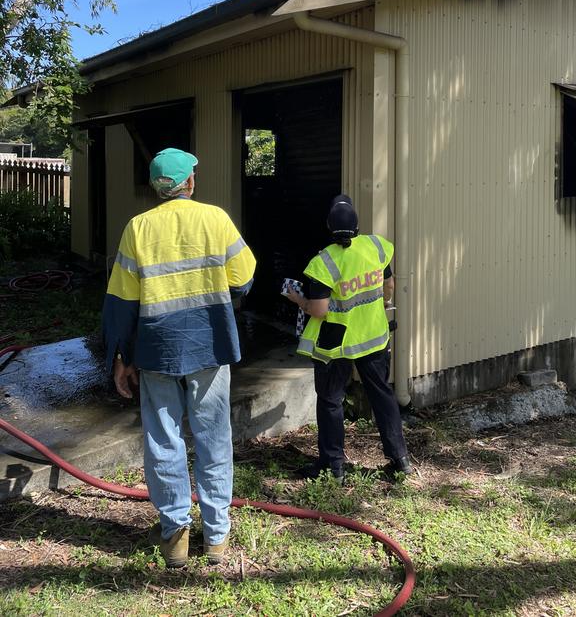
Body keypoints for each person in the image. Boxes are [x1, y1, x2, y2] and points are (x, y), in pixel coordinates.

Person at [102, 147, 255, 568]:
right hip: (209, 346)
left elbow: (122, 301)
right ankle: (218, 538)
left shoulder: (137, 228)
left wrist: (120, 355)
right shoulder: (216, 219)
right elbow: (244, 277)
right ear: (189, 182)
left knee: (163, 439)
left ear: (157, 187)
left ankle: (175, 537)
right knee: (213, 438)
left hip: (156, 350)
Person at [284, 194, 411, 483]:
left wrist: (297, 300)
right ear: (357, 227)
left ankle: (334, 467)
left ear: (329, 227)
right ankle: (400, 459)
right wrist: (381, 304)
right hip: (374, 336)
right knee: (382, 395)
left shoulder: (324, 261)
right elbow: (388, 284)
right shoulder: (376, 246)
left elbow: (318, 310)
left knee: (331, 401)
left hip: (335, 342)